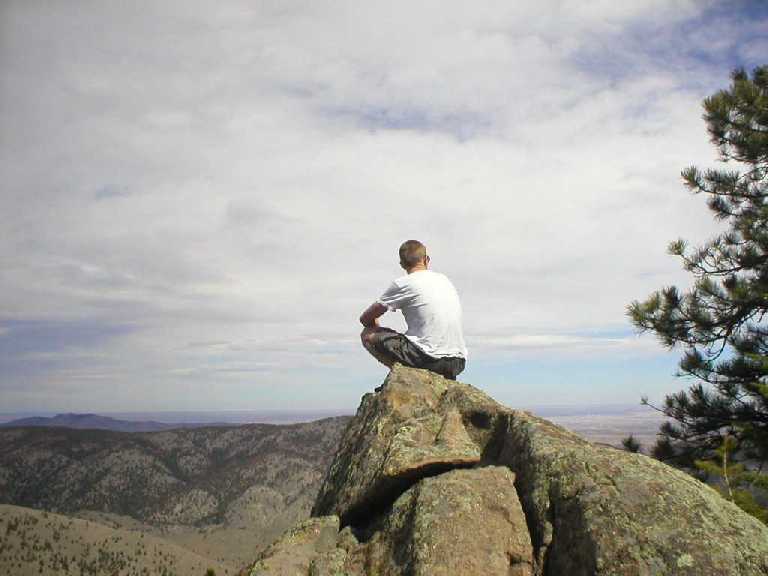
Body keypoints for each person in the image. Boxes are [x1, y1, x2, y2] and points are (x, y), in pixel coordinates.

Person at [359, 240, 467, 381]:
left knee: (368, 334)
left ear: (402, 264)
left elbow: (365, 319)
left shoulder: (403, 284)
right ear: (426, 259)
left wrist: (375, 326)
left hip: (427, 359)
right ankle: (443, 377)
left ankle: (404, 379)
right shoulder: (444, 279)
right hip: (457, 361)